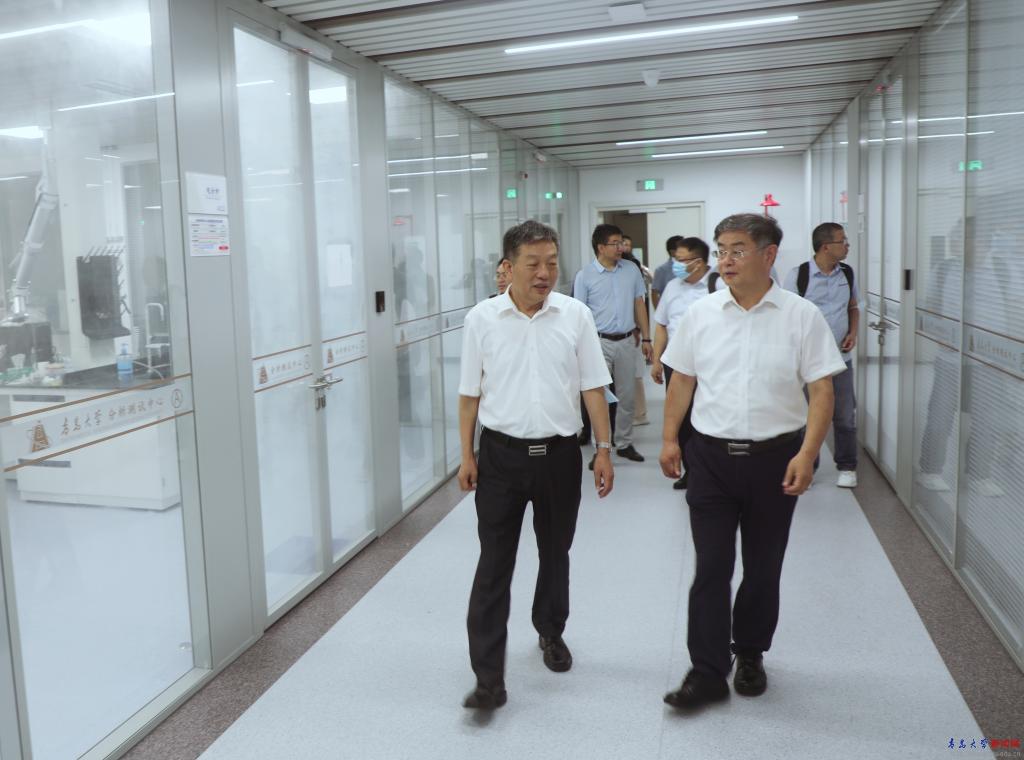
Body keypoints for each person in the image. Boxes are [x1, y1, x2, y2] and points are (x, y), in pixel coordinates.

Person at [658, 213, 845, 710]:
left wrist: (808, 453)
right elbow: (682, 380)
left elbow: (822, 389)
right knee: (711, 568)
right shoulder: (701, 313)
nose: (725, 260)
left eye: (737, 250)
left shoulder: (801, 315)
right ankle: (706, 671)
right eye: (721, 250)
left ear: (769, 255)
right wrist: (670, 439)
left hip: (775, 459)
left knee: (763, 567)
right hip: (711, 459)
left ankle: (750, 653)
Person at [457, 219, 614, 710]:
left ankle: (550, 630)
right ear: (509, 266)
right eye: (533, 264)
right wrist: (466, 455)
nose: (545, 272)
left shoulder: (575, 316)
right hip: (500, 458)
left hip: (559, 458)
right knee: (493, 564)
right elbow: (469, 394)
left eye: (551, 262)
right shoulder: (481, 319)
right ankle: (488, 678)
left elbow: (593, 386)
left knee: (555, 552)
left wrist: (603, 449)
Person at [783, 222, 860, 487]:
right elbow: (786, 317)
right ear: (826, 247)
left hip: (840, 359)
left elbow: (853, 307)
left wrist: (853, 332)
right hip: (807, 362)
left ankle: (847, 466)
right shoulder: (799, 276)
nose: (847, 245)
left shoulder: (847, 273)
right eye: (843, 241)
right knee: (806, 416)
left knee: (845, 416)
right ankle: (807, 465)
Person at [573, 223, 652, 463]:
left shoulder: (631, 270)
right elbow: (579, 314)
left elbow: (639, 304)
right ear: (600, 247)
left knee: (627, 396)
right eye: (615, 243)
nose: (621, 248)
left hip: (627, 341)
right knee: (600, 397)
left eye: (621, 243)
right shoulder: (585, 275)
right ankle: (601, 448)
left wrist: (647, 337)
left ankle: (624, 443)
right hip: (597, 343)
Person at [650, 236, 712, 490]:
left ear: (699, 262)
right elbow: (661, 325)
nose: (677, 264)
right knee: (682, 419)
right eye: (676, 259)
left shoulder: (718, 285)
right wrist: (657, 360)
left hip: (709, 363)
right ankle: (690, 471)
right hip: (676, 363)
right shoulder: (673, 286)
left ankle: (710, 470)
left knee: (707, 415)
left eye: (682, 260)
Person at [620, 235, 651, 426]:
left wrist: (640, 330)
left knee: (636, 373)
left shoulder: (634, 272)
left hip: (633, 331)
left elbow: (639, 305)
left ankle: (639, 413)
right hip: (620, 333)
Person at [652, 235, 685, 309]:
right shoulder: (661, 270)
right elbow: (655, 293)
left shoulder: (690, 265)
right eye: (682, 248)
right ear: (673, 252)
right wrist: (659, 312)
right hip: (671, 310)